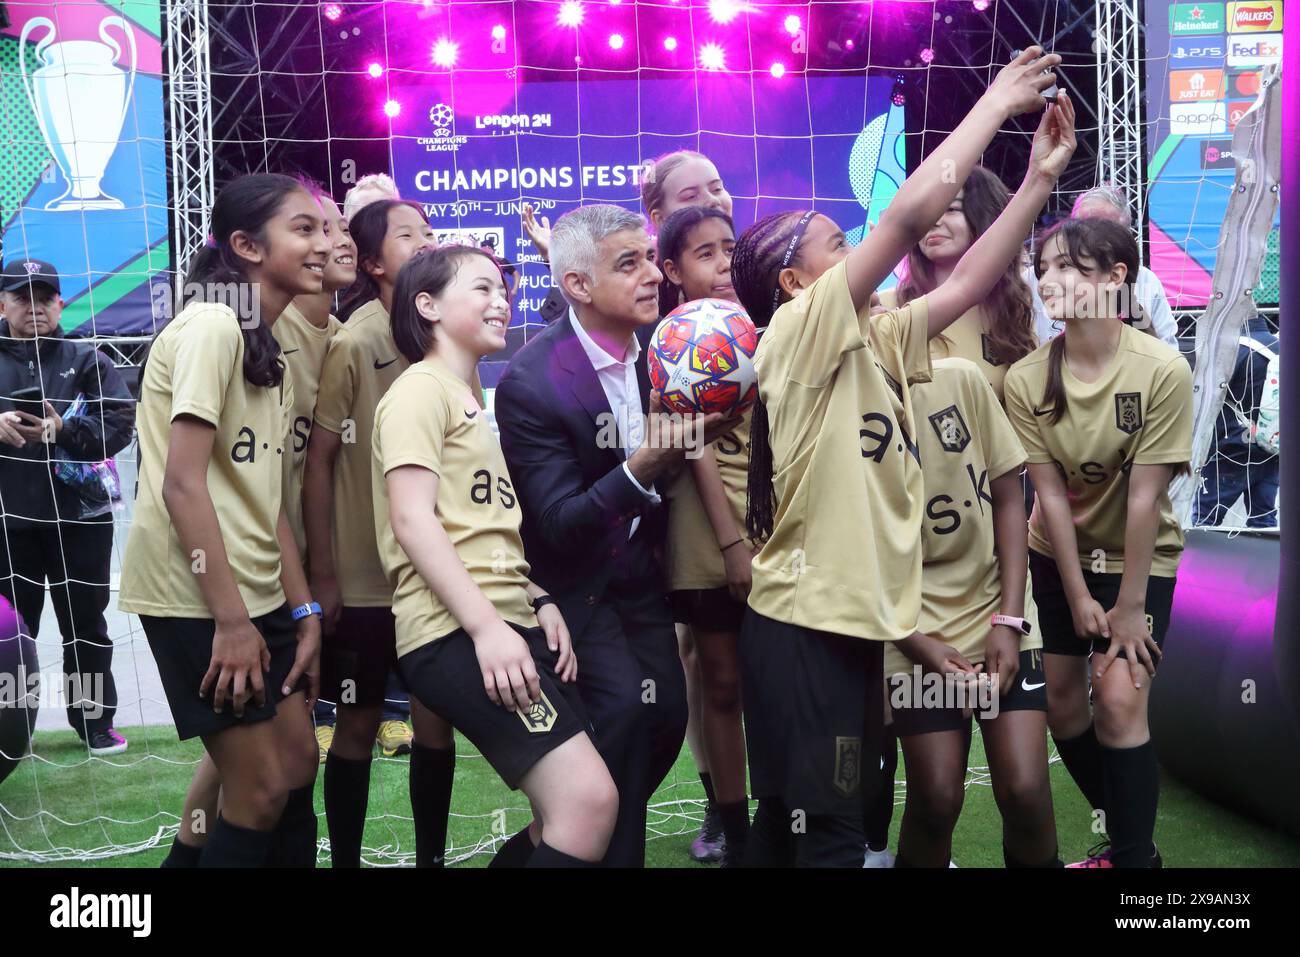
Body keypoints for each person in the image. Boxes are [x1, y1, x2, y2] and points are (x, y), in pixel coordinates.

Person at [728, 52, 1070, 867]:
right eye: (837, 243)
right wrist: (995, 102)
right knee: (833, 838)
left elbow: (972, 277)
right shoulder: (798, 331)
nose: (862, 250)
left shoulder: (877, 336)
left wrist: (1036, 183)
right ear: (791, 281)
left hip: (843, 629)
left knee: (794, 832)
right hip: (803, 629)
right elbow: (911, 220)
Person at [494, 203, 736, 867]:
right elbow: (560, 523)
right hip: (575, 590)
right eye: (627, 264)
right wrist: (645, 465)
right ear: (577, 286)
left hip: (640, 578)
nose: (653, 275)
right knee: (627, 718)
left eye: (649, 259)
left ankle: (545, 847)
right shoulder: (531, 383)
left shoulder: (666, 346)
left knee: (662, 721)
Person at [374, 245, 618, 866]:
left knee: (558, 818)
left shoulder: (468, 398)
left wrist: (538, 600)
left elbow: (478, 530)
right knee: (585, 804)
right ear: (426, 305)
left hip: (505, 619)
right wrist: (486, 628)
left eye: (504, 290)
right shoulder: (418, 390)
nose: (501, 300)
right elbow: (412, 518)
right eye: (481, 288)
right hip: (456, 632)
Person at [120, 173, 324, 867]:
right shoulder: (211, 324)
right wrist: (234, 623)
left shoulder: (268, 346)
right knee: (261, 787)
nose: (324, 242)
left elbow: (264, 506)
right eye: (304, 228)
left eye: (325, 228)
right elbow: (182, 485)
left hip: (256, 591)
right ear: (245, 245)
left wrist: (305, 612)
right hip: (196, 596)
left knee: (297, 762)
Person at [1003, 217, 1193, 868]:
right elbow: (1047, 495)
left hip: (1141, 561)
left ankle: (1135, 863)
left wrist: (1128, 604)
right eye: (1045, 266)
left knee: (1116, 700)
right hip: (1057, 558)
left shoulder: (1162, 369)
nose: (1050, 279)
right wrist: (1079, 590)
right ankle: (1126, 832)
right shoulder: (1026, 379)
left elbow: (1144, 498)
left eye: (1071, 268)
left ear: (1116, 280)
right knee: (1063, 708)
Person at [304, 198, 456, 867]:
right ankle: (343, 861)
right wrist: (325, 572)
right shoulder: (353, 341)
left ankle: (430, 858)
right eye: (406, 235)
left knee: (434, 721)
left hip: (432, 573)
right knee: (357, 721)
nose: (425, 241)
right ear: (371, 262)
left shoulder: (446, 335)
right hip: (365, 580)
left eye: (428, 231)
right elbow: (318, 461)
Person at [885, 358, 1059, 868]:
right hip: (911, 626)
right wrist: (916, 644)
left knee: (1025, 789)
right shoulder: (838, 411)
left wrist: (1008, 621)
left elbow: (1010, 500)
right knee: (937, 797)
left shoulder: (959, 378)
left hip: (996, 611)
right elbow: (857, 559)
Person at [0, 259, 135, 755]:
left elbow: (120, 426)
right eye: (21, 297)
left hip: (81, 520)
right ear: (2, 303)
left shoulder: (87, 357)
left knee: (87, 626)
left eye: (45, 296)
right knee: (12, 634)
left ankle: (95, 723)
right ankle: (13, 731)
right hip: (8, 520)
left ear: (60, 302)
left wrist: (62, 431)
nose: (34, 306)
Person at [655, 205, 753, 866]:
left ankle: (787, 815)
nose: (722, 265)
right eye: (705, 253)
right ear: (673, 269)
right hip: (707, 532)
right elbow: (691, 447)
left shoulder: (768, 324)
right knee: (718, 682)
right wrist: (729, 540)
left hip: (777, 524)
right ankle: (732, 821)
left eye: (729, 249)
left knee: (777, 679)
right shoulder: (673, 339)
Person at [1193, 311, 1279, 528]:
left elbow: (1204, 398)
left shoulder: (1230, 352)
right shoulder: (1284, 349)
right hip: (1274, 449)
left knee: (1206, 519)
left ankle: (1205, 563)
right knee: (1264, 521)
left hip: (1230, 450)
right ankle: (1265, 562)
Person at [1069, 186, 1178, 347]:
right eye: (1085, 227)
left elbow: (1168, 350)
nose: (1094, 238)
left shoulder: (1145, 279)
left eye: (1107, 230)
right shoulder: (1043, 276)